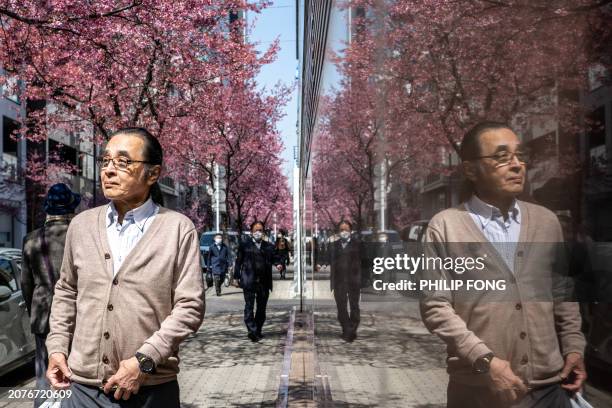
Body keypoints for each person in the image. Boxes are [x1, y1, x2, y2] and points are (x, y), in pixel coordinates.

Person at [419, 122, 586, 408]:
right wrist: (487, 362)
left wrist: (574, 348)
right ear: (471, 170)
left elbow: (562, 294)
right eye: (501, 157)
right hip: (478, 391)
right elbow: (436, 308)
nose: (517, 165)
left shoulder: (546, 222)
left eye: (519, 156)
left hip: (549, 389)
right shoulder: (445, 227)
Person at [45, 127, 204, 407]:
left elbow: (190, 306)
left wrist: (144, 361)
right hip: (82, 389)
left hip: (151, 389)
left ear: (153, 174)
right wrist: (57, 347)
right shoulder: (81, 226)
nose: (108, 170)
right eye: (105, 161)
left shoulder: (178, 229)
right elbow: (67, 290)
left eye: (123, 162)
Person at [21, 183, 80, 408]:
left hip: (43, 313)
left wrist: (34, 310)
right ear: (71, 208)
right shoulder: (79, 235)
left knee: (44, 373)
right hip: (77, 314)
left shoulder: (31, 239)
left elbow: (26, 283)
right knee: (76, 371)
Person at [234, 221, 282, 342]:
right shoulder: (244, 245)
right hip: (249, 280)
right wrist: (236, 277)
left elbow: (276, 257)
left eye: (260, 230)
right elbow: (238, 262)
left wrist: (279, 264)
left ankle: (258, 329)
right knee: (249, 306)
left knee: (261, 308)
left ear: (263, 232)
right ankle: (252, 330)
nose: (258, 232)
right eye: (255, 230)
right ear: (251, 232)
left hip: (264, 282)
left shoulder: (269, 246)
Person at [329, 220, 362, 342]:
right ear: (338, 232)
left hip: (353, 281)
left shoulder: (357, 244)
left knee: (354, 307)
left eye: (346, 230)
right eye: (341, 230)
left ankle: (352, 329)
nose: (344, 232)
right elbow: (331, 261)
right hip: (339, 281)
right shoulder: (334, 245)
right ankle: (346, 329)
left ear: (350, 231)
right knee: (341, 308)